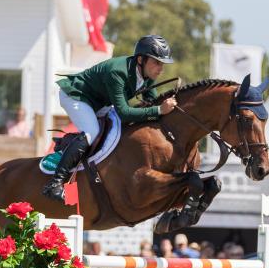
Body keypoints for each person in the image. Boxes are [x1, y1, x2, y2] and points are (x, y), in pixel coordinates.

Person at [42, 35, 177, 202]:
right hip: (77, 96)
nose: (160, 68)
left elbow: (151, 102)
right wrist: (159, 110)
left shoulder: (147, 76)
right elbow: (125, 113)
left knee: (116, 130)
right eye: (156, 62)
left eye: (162, 64)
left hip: (100, 103)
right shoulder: (118, 72)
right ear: (141, 59)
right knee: (92, 131)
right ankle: (55, 184)